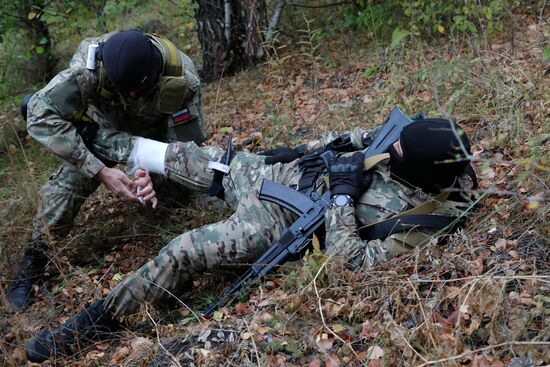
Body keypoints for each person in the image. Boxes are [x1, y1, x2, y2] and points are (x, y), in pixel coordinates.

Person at [24, 118, 475, 362]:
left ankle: (96, 319)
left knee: (183, 250)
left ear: (420, 170)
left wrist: (340, 201)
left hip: (278, 221)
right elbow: (365, 136)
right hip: (278, 174)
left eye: (398, 152)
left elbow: (349, 263)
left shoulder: (422, 223)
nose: (391, 147)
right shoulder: (421, 140)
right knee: (181, 157)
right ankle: (88, 133)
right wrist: (305, 150)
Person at [7, 29, 207, 311]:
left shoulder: (181, 78)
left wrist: (147, 168)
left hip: (152, 138)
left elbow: (184, 147)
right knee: (63, 191)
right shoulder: (89, 68)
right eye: (126, 90)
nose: (134, 96)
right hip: (100, 133)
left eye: (140, 90)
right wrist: (99, 170)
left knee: (179, 195)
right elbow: (39, 113)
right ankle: (34, 262)